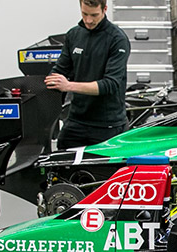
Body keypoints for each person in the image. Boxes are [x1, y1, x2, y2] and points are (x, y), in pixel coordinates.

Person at [45, 0, 130, 150]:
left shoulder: (117, 39)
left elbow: (109, 85)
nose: (88, 20)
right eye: (84, 14)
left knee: (105, 173)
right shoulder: (74, 35)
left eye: (94, 15)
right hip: (76, 121)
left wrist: (68, 86)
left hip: (108, 125)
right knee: (61, 166)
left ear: (104, 9)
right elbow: (60, 70)